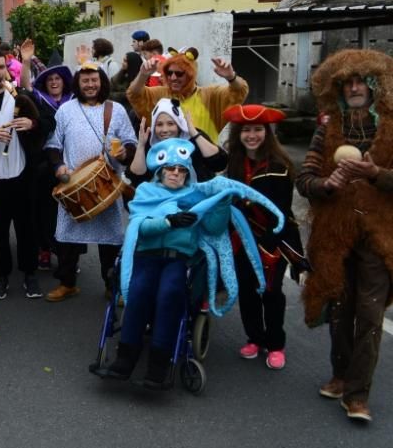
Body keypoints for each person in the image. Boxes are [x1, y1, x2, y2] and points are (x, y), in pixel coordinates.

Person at [97, 138, 282, 388]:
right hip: (147, 256)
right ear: (161, 170)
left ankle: (158, 366)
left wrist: (222, 200)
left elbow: (214, 227)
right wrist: (168, 222)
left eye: (181, 170)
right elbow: (140, 226)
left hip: (178, 260)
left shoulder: (196, 197)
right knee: (139, 290)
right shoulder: (146, 192)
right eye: (171, 169)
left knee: (170, 293)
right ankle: (125, 359)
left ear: (188, 173)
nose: (175, 173)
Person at [296, 49, 393, 423]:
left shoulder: (390, 127)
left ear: (372, 86)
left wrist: (376, 174)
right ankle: (340, 374)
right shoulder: (327, 128)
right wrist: (326, 183)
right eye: (347, 82)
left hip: (379, 237)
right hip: (335, 237)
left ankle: (357, 394)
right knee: (338, 310)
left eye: (360, 81)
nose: (354, 87)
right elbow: (304, 180)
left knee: (369, 316)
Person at [44, 64, 137, 302]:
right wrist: (58, 166)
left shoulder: (115, 109)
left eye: (94, 80)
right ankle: (67, 284)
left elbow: (130, 141)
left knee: (111, 241)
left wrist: (124, 154)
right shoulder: (65, 110)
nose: (90, 85)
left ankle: (111, 286)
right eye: (85, 81)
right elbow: (53, 144)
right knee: (66, 239)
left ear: (102, 81)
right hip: (74, 184)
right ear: (78, 83)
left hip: (106, 183)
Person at [223, 104, 305, 371]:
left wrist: (268, 243)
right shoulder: (233, 161)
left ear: (266, 132)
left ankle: (275, 343)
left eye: (258, 129)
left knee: (271, 292)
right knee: (247, 291)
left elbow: (281, 210)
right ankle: (254, 338)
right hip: (241, 239)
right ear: (239, 133)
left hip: (273, 238)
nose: (252, 135)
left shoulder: (280, 166)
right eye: (246, 130)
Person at [0, 49, 44, 299]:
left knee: (27, 228)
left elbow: (48, 121)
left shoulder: (21, 97)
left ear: (6, 69)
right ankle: (1, 276)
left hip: (22, 172)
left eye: (1, 67)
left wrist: (32, 123)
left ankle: (30, 274)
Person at [19, 41, 70, 271]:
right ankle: (45, 250)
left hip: (70, 161)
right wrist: (26, 61)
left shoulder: (73, 101)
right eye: (50, 79)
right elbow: (25, 87)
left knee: (67, 210)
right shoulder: (40, 99)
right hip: (43, 164)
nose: (54, 82)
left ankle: (68, 255)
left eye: (58, 78)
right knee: (43, 210)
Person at [127, 47, 248, 138]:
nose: (173, 78)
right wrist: (143, 75)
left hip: (202, 162)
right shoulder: (160, 94)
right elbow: (135, 94)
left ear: (191, 75)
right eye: (169, 73)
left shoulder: (210, 95)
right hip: (168, 163)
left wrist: (231, 77)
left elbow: (238, 92)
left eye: (179, 73)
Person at [127, 98, 226, 187]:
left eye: (170, 124)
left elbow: (219, 163)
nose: (165, 130)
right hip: (164, 202)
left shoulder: (193, 137)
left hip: (198, 200)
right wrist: (140, 145)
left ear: (179, 124)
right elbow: (136, 179)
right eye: (159, 124)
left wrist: (194, 134)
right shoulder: (150, 142)